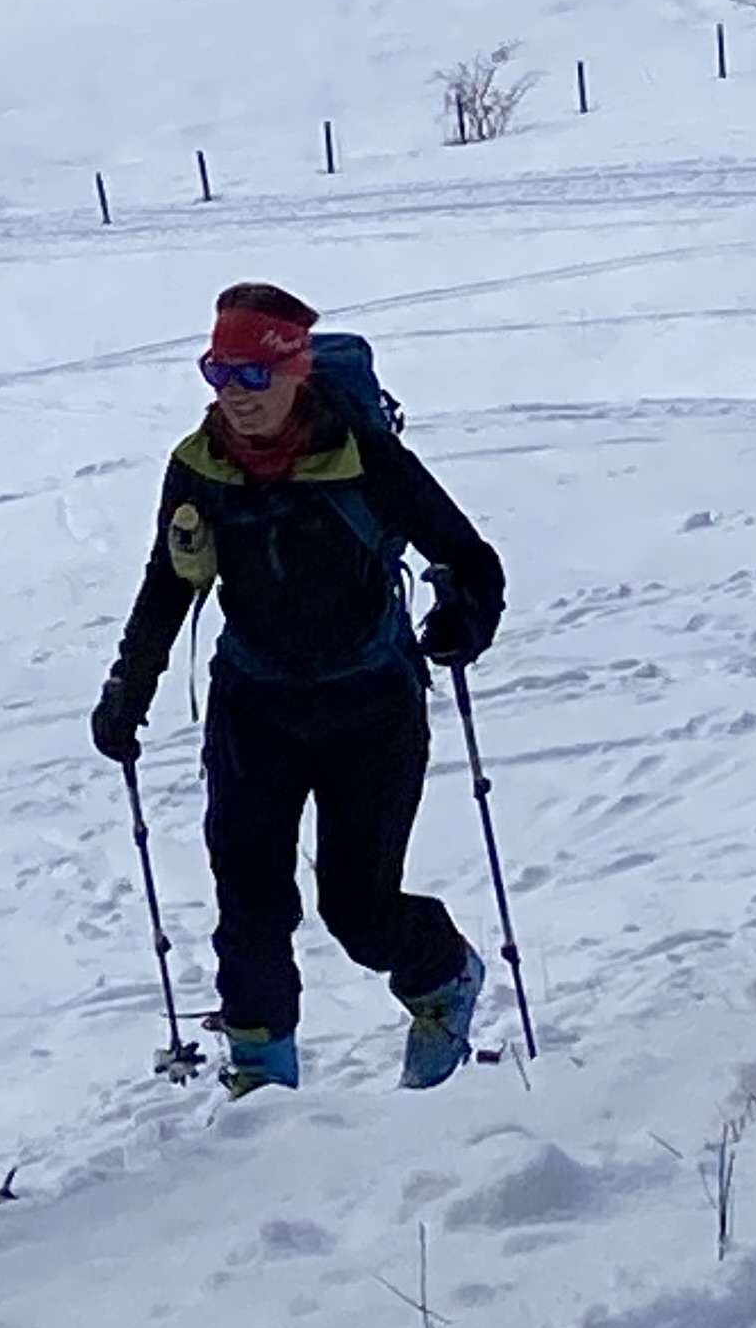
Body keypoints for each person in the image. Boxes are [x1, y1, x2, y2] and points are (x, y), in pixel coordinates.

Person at [90, 284, 506, 1094]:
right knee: (249, 902)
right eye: (218, 373)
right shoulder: (199, 469)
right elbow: (168, 586)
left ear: (293, 370)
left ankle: (444, 979)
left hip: (372, 706)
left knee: (357, 908)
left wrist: (464, 616)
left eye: (252, 376)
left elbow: (468, 557)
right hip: (256, 708)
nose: (234, 397)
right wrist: (127, 691)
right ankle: (259, 1086)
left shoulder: (363, 455)